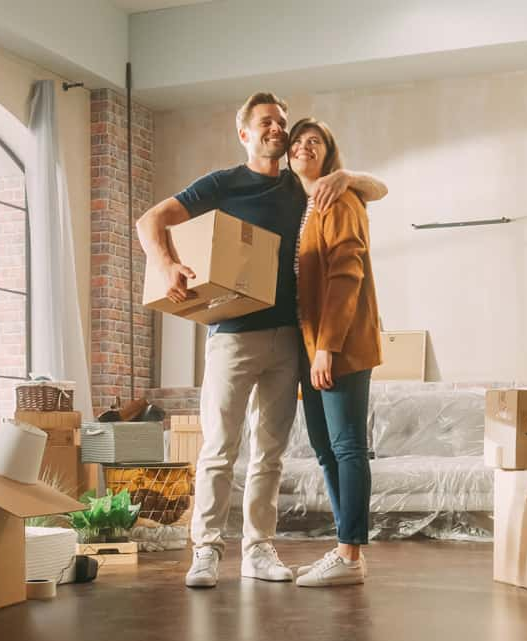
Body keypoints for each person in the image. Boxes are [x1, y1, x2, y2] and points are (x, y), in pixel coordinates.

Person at [136, 93, 386, 588]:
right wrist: (165, 264)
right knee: (219, 448)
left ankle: (258, 548)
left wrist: (349, 176)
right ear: (245, 133)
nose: (278, 130)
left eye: (283, 124)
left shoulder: (305, 188)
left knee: (270, 453)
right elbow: (150, 221)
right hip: (231, 336)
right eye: (267, 123)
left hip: (290, 339)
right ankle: (205, 549)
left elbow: (375, 191)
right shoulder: (224, 183)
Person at [286, 118, 382, 588]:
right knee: (325, 449)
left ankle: (350, 553)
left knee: (347, 448)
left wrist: (326, 348)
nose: (304, 147)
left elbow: (347, 275)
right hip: (311, 346)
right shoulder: (303, 207)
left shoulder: (339, 197)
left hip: (338, 344)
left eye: (315, 142)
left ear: (328, 154)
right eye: (297, 142)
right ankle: (346, 548)